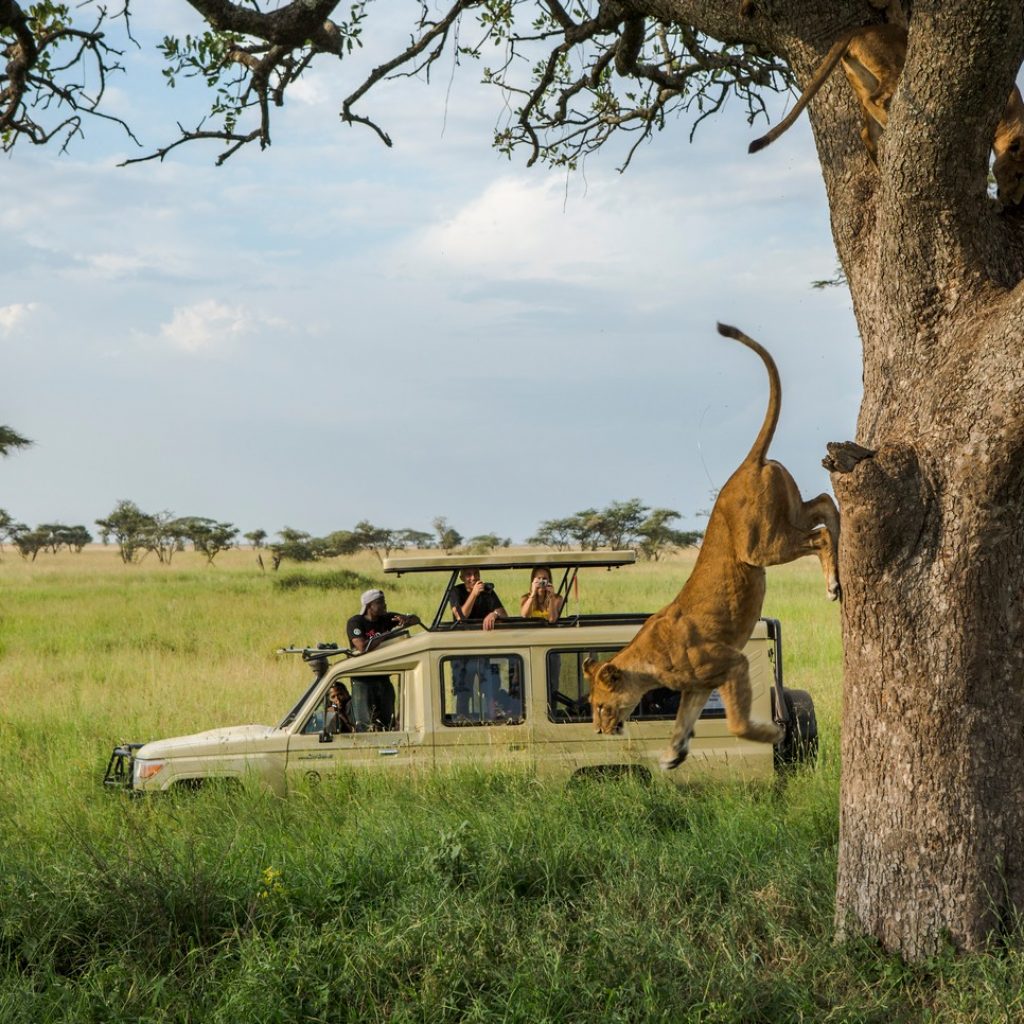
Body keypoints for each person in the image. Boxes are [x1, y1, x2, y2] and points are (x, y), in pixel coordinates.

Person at [345, 589, 420, 730]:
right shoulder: (355, 622)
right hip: (363, 678)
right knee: (364, 723)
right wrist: (386, 635)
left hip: (383, 676)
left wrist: (406, 619)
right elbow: (362, 646)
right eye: (380, 602)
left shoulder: (386, 618)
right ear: (369, 606)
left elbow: (417, 620)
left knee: (387, 720)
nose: (385, 605)